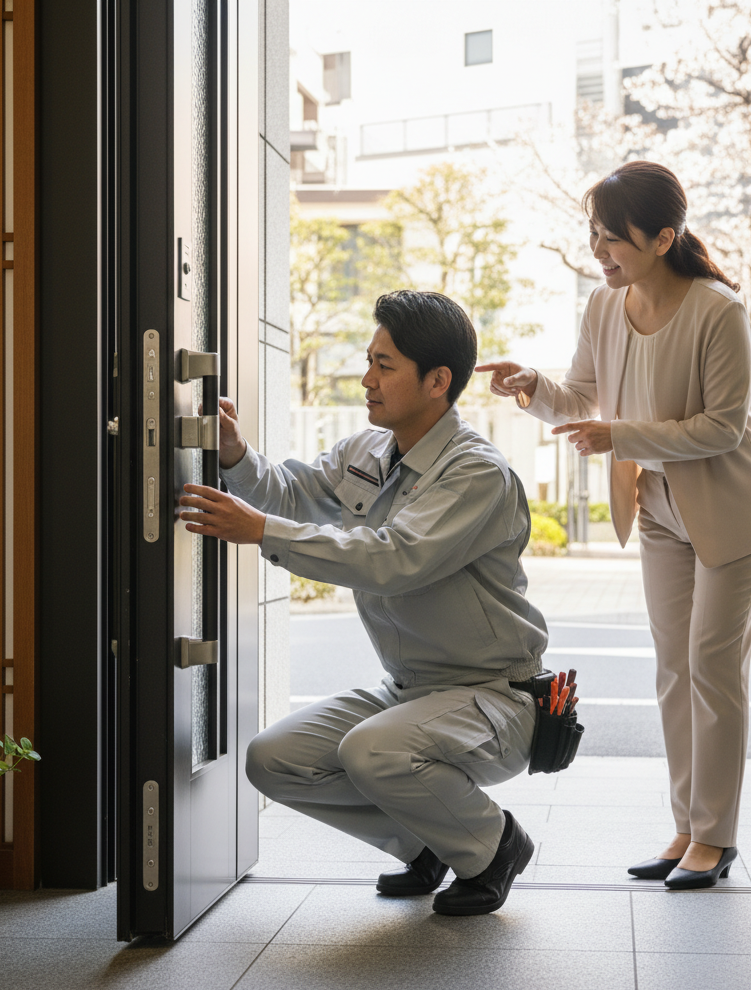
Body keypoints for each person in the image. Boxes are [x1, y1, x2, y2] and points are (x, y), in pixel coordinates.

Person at [179, 289, 549, 915]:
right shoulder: (368, 451)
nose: (366, 379)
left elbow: (394, 559)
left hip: (493, 697)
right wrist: (236, 457)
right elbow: (293, 493)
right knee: (273, 760)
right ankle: (429, 844)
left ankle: (494, 846)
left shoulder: (476, 473)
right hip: (410, 691)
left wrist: (262, 530)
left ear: (439, 381)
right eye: (370, 360)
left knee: (371, 749)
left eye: (385, 365)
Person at [478, 161, 751, 891]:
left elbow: (720, 428)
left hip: (730, 507)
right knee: (674, 670)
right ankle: (686, 826)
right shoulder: (603, 306)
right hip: (658, 507)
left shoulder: (718, 311)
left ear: (665, 237)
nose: (599, 251)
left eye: (613, 239)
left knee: (714, 668)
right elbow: (581, 397)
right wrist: (534, 389)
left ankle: (716, 836)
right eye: (595, 236)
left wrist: (622, 436)